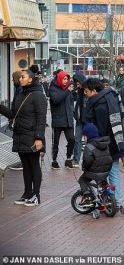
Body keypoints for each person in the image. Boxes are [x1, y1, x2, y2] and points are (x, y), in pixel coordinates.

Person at [0, 65, 47, 206]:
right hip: (20, 135)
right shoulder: (20, 94)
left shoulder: (38, 95)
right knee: (26, 166)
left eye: (23, 77)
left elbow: (41, 118)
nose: (20, 79)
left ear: (31, 80)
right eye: (20, 77)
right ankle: (27, 194)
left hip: (32, 136)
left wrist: (39, 138)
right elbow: (13, 115)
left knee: (34, 165)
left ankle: (36, 195)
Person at [84, 77, 124, 206]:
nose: (85, 93)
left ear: (94, 90)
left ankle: (106, 201)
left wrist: (93, 143)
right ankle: (116, 201)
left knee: (100, 173)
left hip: (104, 144)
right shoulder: (111, 96)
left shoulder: (99, 105)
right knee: (113, 172)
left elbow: (100, 128)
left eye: (86, 91)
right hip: (116, 142)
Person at [77, 123, 113, 207]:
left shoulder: (89, 147)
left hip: (94, 172)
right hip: (106, 170)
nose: (84, 138)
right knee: (102, 182)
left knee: (82, 180)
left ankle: (87, 197)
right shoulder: (104, 144)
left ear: (88, 136)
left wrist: (84, 167)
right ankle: (106, 197)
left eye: (84, 136)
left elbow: (87, 161)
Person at [48, 70, 76, 170]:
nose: (66, 81)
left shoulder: (68, 90)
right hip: (58, 119)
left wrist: (72, 110)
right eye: (64, 79)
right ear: (60, 78)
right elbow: (56, 100)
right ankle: (54, 160)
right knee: (56, 141)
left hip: (68, 119)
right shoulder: (53, 89)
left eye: (67, 79)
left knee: (72, 139)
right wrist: (67, 91)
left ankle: (68, 159)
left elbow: (71, 101)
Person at [72, 73, 88, 166]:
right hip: (79, 120)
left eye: (77, 82)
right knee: (77, 140)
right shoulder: (78, 91)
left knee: (89, 141)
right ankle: (76, 160)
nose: (76, 84)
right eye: (75, 83)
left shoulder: (88, 90)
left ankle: (88, 160)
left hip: (87, 121)